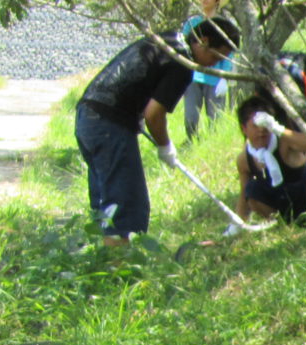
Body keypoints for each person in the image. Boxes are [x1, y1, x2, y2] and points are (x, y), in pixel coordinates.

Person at [76, 17, 239, 244]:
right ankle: (117, 263)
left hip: (87, 117)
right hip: (109, 126)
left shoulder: (166, 39)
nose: (213, 65)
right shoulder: (181, 62)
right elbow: (154, 113)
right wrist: (165, 146)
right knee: (124, 207)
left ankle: (102, 259)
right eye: (216, 57)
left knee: (105, 203)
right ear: (203, 41)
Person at [232, 99, 306, 228]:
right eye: (255, 126)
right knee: (251, 189)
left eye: (264, 125)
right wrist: (237, 225)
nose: (261, 130)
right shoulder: (244, 159)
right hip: (282, 204)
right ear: (244, 129)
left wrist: (277, 129)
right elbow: (244, 195)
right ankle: (283, 226)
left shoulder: (284, 141)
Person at [180, 0, 234, 140]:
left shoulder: (224, 25)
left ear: (217, 0)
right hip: (193, 76)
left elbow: (229, 53)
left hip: (215, 76)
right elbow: (183, 47)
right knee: (190, 117)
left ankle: (214, 145)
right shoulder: (192, 24)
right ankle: (191, 142)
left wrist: (224, 77)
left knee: (216, 119)